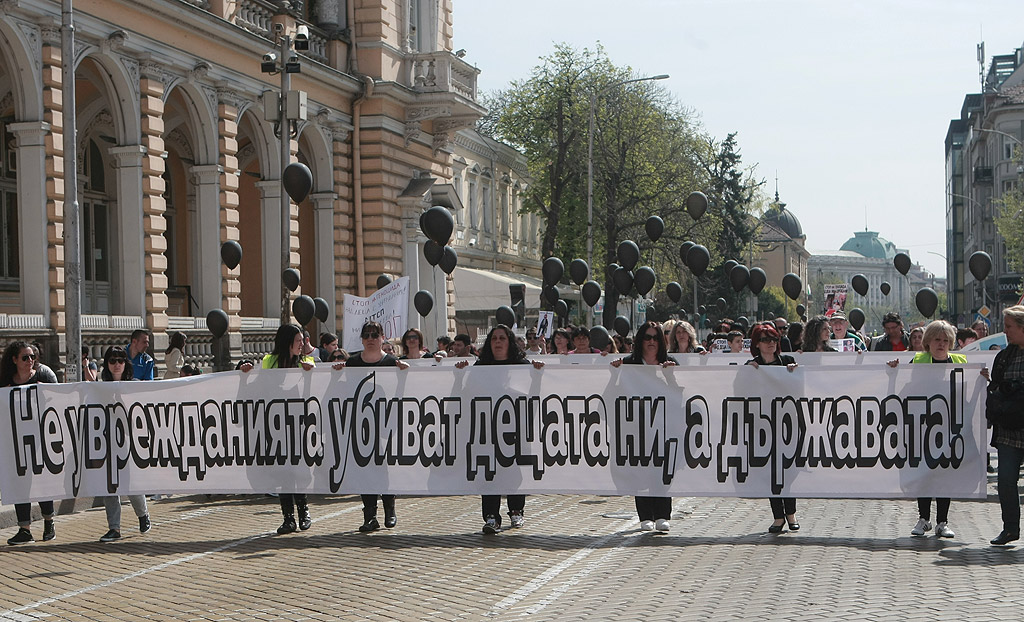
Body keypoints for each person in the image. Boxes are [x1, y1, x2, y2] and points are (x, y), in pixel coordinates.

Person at [455, 324, 544, 533]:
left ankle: (516, 511)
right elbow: (467, 394)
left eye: (502, 338)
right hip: (487, 431)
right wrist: (459, 374)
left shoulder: (523, 366)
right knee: (489, 473)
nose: (497, 342)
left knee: (514, 470)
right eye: (494, 338)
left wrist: (537, 375)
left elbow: (533, 396)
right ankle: (491, 517)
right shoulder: (480, 367)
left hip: (515, 430)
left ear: (509, 342)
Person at [886, 320, 964, 539]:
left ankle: (942, 522)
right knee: (924, 474)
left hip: (948, 428)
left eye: (946, 340)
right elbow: (908, 389)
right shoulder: (918, 360)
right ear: (928, 342)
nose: (941, 344)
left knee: (944, 475)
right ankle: (923, 519)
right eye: (937, 340)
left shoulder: (959, 362)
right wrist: (894, 371)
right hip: (922, 428)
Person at [239, 324, 316, 534]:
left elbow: (315, 391)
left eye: (302, 341)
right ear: (287, 342)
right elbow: (261, 389)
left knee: (298, 469)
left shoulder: (307, 362)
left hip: (298, 425)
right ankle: (288, 518)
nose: (302, 345)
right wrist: (245, 375)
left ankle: (304, 511)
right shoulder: (269, 362)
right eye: (298, 341)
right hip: (276, 425)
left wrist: (312, 375)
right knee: (282, 471)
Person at [333, 321, 410, 532]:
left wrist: (404, 373)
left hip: (385, 425)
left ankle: (389, 510)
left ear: (382, 337)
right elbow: (341, 390)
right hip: (361, 427)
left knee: (384, 469)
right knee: (364, 470)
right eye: (366, 335)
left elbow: (403, 393)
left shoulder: (393, 363)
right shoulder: (353, 364)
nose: (370, 338)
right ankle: (369, 515)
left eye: (374, 334)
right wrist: (337, 372)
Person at [610, 321, 678, 532]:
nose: (651, 342)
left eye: (655, 337)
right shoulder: (629, 363)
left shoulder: (670, 362)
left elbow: (680, 394)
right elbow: (614, 393)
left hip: (663, 425)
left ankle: (662, 514)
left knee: (662, 469)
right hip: (636, 426)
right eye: (647, 337)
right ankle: (645, 515)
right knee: (641, 468)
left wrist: (670, 375)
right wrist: (615, 373)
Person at [745, 324, 799, 532]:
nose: (771, 344)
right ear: (757, 343)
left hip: (787, 423)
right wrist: (748, 374)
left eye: (774, 339)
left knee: (788, 471)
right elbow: (739, 392)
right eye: (766, 339)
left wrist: (794, 374)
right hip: (763, 426)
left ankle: (791, 514)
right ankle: (778, 517)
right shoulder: (752, 365)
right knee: (771, 472)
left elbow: (800, 389)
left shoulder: (787, 362)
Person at [2, 342, 57, 544]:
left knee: (42, 482)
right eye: (25, 357)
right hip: (16, 442)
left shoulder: (43, 377)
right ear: (14, 360)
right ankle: (24, 529)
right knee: (20, 483)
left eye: (32, 356)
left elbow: (60, 402)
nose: (30, 361)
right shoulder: (6, 382)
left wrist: (49, 392)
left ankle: (49, 521)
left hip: (41, 438)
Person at [97, 346, 154, 542]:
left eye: (120, 360)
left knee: (130, 484)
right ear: (107, 364)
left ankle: (143, 514)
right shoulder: (98, 387)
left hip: (129, 441)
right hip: (105, 441)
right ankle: (114, 528)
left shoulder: (134, 384)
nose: (116, 364)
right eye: (112, 361)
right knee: (109, 487)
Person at [985, 305, 1024, 545]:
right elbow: (995, 388)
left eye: (1009, 327)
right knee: (1005, 481)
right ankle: (1010, 528)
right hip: (1010, 430)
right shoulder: (1005, 356)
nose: (1005, 332)